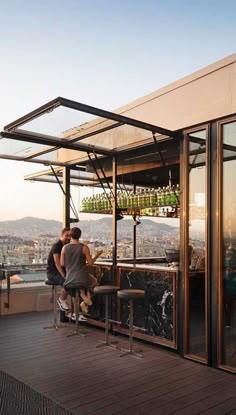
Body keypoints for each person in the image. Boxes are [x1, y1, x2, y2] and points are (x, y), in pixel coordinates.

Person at [60, 227, 103, 316]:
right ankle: (85, 300)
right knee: (94, 282)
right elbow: (91, 263)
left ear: (70, 235)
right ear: (80, 235)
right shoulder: (84, 247)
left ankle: (83, 296)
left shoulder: (64, 248)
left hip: (69, 279)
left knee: (81, 286)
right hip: (82, 277)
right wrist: (97, 255)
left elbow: (62, 264)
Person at [46, 227, 71, 311]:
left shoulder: (67, 246)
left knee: (74, 281)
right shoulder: (57, 246)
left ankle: (75, 312)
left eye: (70, 236)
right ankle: (62, 300)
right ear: (61, 235)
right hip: (53, 273)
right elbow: (57, 263)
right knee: (67, 282)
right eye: (66, 235)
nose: (68, 237)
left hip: (61, 271)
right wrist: (64, 275)